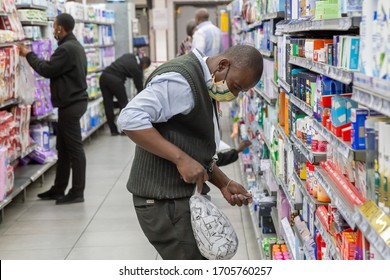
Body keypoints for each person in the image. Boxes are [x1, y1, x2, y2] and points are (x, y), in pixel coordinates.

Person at [117, 45, 263, 259]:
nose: (233, 94)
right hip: (163, 199)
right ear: (223, 65)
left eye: (240, 91)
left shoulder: (205, 81)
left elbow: (190, 142)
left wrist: (224, 183)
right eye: (236, 86)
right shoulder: (181, 81)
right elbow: (129, 118)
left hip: (178, 196)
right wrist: (180, 159)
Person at [19, 13, 88, 205]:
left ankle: (77, 192)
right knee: (64, 148)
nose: (53, 30)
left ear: (60, 28)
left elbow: (47, 70)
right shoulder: (74, 46)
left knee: (74, 150)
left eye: (55, 26)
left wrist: (28, 54)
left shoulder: (66, 49)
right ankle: (58, 189)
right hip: (73, 102)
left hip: (71, 105)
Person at [99, 54, 151, 136]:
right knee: (124, 103)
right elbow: (139, 88)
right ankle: (124, 130)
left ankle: (113, 130)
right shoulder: (137, 69)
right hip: (115, 80)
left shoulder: (130, 56)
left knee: (108, 104)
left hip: (103, 77)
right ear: (145, 65)